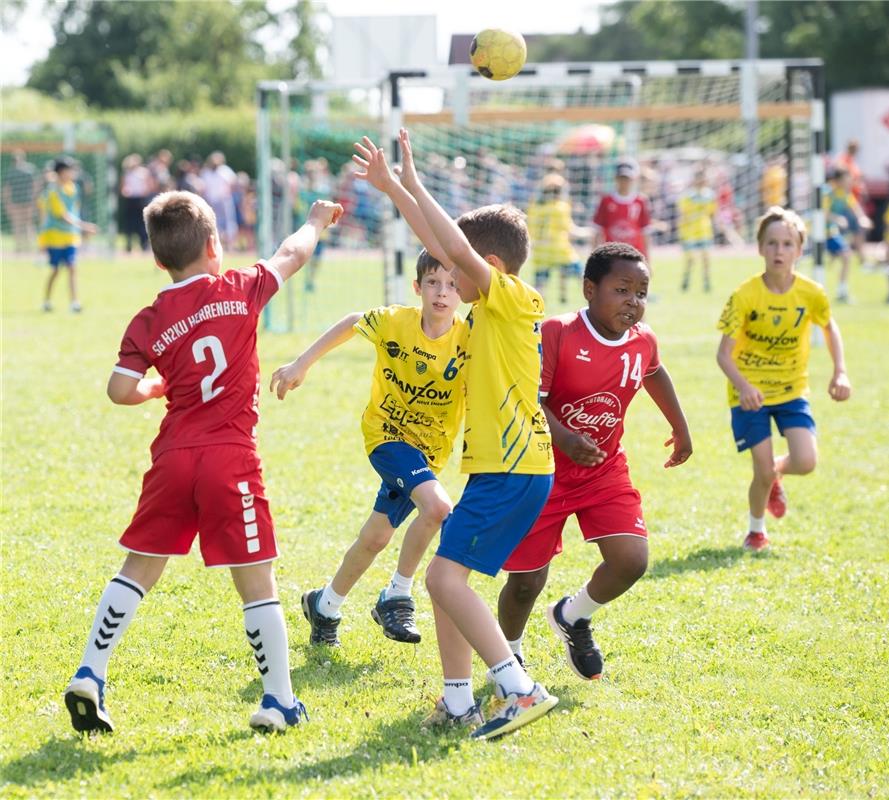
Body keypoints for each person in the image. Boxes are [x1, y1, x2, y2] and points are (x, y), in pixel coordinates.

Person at [63, 191, 343, 735]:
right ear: (215, 246)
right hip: (229, 457)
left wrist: (152, 388)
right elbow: (292, 253)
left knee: (139, 567)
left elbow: (119, 389)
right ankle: (279, 700)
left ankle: (91, 673)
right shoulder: (239, 288)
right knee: (257, 579)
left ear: (158, 260)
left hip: (171, 457)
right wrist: (314, 220)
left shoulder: (149, 319)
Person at [365, 129, 557, 740]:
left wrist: (416, 183)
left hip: (514, 468)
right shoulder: (491, 307)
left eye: (459, 268)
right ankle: (456, 702)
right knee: (449, 578)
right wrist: (394, 188)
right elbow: (439, 244)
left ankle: (518, 690)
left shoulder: (514, 299)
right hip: (505, 468)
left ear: (489, 268)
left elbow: (450, 245)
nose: (447, 279)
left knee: (443, 579)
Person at [498, 242, 692, 680]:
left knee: (631, 559)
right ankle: (508, 657)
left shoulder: (643, 341)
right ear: (590, 289)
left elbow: (654, 372)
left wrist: (680, 426)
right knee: (526, 581)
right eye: (622, 290)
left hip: (603, 469)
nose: (634, 302)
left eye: (641, 292)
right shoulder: (558, 332)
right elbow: (527, 397)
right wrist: (563, 437)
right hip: (542, 471)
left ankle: (572, 615)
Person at [270, 249, 465, 646]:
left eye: (451, 285)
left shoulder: (469, 338)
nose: (442, 293)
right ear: (417, 287)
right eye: (432, 283)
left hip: (429, 452)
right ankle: (397, 595)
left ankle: (325, 605)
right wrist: (301, 364)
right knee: (439, 508)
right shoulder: (396, 322)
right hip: (387, 437)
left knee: (376, 536)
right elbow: (352, 322)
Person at [716, 206, 851, 552]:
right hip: (750, 394)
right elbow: (723, 354)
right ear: (760, 248)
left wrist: (840, 371)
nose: (779, 251)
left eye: (787, 244)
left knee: (806, 462)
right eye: (772, 243)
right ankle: (756, 530)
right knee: (760, 470)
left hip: (792, 390)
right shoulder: (744, 296)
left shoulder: (812, 293)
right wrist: (744, 387)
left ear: (799, 250)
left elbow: (829, 326)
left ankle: (776, 474)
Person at [42, 157, 97, 313]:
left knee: (72, 267)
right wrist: (84, 226)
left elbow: (74, 210)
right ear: (60, 172)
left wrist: (79, 229)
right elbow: (63, 215)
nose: (72, 173)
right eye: (69, 170)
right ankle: (47, 300)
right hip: (55, 236)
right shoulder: (53, 192)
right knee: (56, 270)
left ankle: (74, 302)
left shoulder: (73, 188)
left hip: (70, 236)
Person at [526, 173, 587, 304]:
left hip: (541, 251)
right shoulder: (561, 207)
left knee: (539, 287)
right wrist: (587, 232)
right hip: (559, 250)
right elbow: (570, 229)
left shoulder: (535, 207)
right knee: (582, 275)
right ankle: (595, 300)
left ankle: (535, 310)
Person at [822, 167, 872, 302]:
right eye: (846, 179)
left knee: (846, 255)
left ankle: (842, 291)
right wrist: (836, 219)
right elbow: (822, 213)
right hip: (817, 235)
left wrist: (862, 218)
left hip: (830, 234)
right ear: (837, 181)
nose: (849, 182)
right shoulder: (827, 193)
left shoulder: (844, 194)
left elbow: (855, 208)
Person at [592, 158, 652, 265]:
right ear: (615, 178)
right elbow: (598, 230)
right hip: (611, 254)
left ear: (634, 178)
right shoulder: (606, 201)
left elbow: (645, 232)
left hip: (634, 254)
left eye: (627, 178)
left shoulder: (641, 201)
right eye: (621, 178)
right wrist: (594, 256)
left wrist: (648, 259)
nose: (624, 182)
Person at [678, 168, 717, 292]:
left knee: (706, 258)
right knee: (690, 260)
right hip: (690, 232)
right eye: (699, 178)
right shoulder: (688, 196)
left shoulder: (710, 195)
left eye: (703, 178)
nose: (701, 181)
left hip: (705, 231)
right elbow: (683, 214)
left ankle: (707, 283)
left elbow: (712, 212)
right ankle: (686, 281)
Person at [3, 149, 38, 253]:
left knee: (19, 224)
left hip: (18, 202)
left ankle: (20, 247)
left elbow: (6, 190)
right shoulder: (30, 169)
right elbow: (35, 186)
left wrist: (7, 203)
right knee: (27, 224)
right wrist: (34, 200)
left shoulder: (12, 171)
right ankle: (29, 247)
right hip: (26, 201)